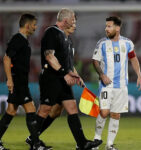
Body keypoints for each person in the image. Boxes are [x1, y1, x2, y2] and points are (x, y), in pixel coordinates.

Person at [26, 8, 101, 150]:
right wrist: (65, 74)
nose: (75, 23)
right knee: (45, 109)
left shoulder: (67, 39)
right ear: (65, 21)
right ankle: (34, 142)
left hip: (62, 78)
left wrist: (76, 75)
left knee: (71, 107)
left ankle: (82, 143)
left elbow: (69, 64)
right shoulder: (51, 33)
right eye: (73, 20)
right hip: (51, 77)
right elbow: (49, 56)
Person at [92, 16, 141, 150]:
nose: (106, 29)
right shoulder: (102, 43)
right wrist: (102, 75)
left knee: (116, 115)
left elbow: (133, 59)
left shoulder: (127, 43)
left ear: (117, 28)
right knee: (104, 112)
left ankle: (109, 145)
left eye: (109, 26)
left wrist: (139, 75)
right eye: (106, 26)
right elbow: (95, 61)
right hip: (106, 85)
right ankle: (96, 140)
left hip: (121, 86)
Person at [0, 14, 49, 150]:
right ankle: (36, 144)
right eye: (34, 24)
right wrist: (9, 79)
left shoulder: (22, 40)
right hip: (17, 82)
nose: (35, 27)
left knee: (10, 111)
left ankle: (35, 144)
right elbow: (6, 59)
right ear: (27, 25)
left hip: (20, 81)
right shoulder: (17, 39)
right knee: (31, 109)